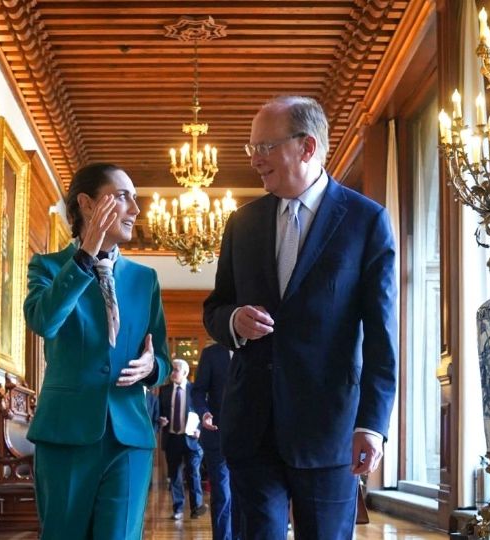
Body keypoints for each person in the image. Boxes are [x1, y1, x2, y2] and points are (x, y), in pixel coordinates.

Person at [202, 96, 398, 539]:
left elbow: (383, 335)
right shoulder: (242, 223)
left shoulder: (366, 221)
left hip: (329, 431)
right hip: (252, 426)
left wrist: (373, 424)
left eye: (264, 147)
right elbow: (215, 308)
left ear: (307, 147)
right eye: (250, 148)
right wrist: (234, 321)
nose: (254, 160)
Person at [24, 163, 171, 540]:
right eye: (123, 196)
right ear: (87, 204)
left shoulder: (145, 279)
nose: (135, 210)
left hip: (130, 436)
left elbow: (164, 360)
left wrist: (152, 366)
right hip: (66, 434)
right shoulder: (48, 267)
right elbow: (45, 321)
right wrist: (85, 254)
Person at [190, 343, 244, 540]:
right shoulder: (212, 354)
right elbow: (198, 391)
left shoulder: (258, 349)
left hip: (252, 439)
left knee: (245, 495)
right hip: (217, 435)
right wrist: (203, 413)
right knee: (222, 493)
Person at [158, 359, 208, 521]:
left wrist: (199, 430)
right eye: (172, 370)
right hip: (172, 438)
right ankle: (178, 509)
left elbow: (204, 412)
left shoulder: (195, 391)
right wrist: (161, 420)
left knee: (193, 472)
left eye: (176, 370)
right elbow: (158, 412)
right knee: (175, 476)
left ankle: (196, 507)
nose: (172, 373)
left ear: (185, 373)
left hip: (192, 440)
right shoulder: (164, 391)